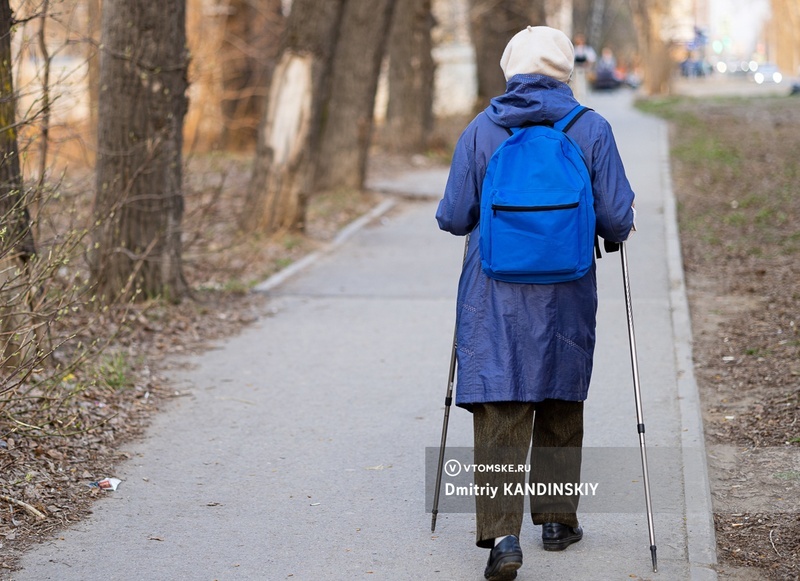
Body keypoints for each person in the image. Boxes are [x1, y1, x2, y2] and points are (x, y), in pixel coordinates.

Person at [435, 26, 636, 581]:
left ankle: (503, 538)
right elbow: (616, 218)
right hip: (567, 293)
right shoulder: (590, 128)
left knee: (501, 401)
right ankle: (556, 521)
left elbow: (453, 216)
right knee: (560, 397)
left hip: (494, 295)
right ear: (566, 69)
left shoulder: (483, 128)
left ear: (510, 68)